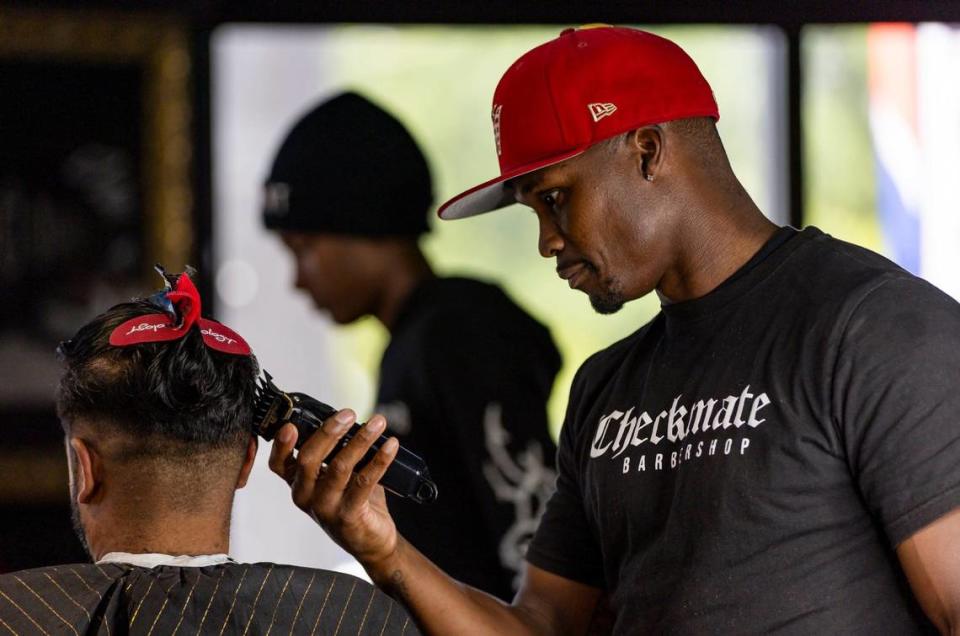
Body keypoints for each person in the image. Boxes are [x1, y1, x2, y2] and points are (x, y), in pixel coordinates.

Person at [265, 25, 960, 635]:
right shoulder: (606, 391)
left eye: (557, 199)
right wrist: (384, 549)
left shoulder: (872, 326)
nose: (546, 241)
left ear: (649, 151)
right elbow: (540, 629)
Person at [0, 269, 418, 634]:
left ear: (85, 468)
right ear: (246, 462)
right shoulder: (357, 617)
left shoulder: (16, 614)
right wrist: (387, 553)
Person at [261, 91, 561, 600]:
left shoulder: (460, 331)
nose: (297, 280)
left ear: (366, 226)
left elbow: (527, 528)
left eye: (305, 249)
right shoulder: (414, 341)